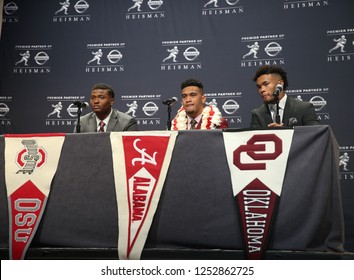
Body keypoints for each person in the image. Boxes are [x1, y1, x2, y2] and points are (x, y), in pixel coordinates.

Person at [250, 66, 320, 128]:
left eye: (266, 84)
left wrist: (285, 133)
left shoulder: (304, 108)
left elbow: (315, 136)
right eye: (259, 87)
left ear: (280, 84)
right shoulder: (257, 114)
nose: (262, 90)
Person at [73, 83, 138, 133]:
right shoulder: (81, 122)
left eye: (101, 97)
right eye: (93, 98)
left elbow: (128, 148)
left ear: (111, 101)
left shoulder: (127, 122)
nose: (96, 101)